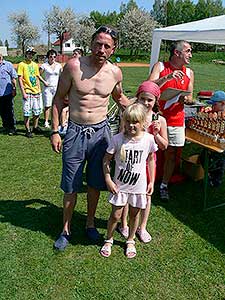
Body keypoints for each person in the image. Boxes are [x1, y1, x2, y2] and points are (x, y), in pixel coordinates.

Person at [51, 26, 130, 251]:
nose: (101, 49)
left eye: (106, 46)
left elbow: (120, 98)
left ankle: (90, 224)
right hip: (75, 132)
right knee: (71, 184)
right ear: (91, 43)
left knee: (95, 183)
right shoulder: (74, 67)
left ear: (113, 50)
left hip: (100, 134)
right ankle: (65, 230)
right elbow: (58, 99)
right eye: (98, 43)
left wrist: (143, 111)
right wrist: (55, 131)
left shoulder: (115, 73)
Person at [100, 103, 158, 258]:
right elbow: (106, 160)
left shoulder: (149, 139)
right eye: (128, 121)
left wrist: (151, 181)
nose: (131, 125)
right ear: (123, 121)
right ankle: (109, 239)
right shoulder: (117, 139)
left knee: (134, 214)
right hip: (119, 186)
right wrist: (108, 179)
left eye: (135, 122)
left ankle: (130, 240)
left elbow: (151, 159)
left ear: (143, 123)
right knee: (116, 215)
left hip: (138, 187)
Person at [118, 81, 168, 243]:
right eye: (142, 99)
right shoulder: (129, 115)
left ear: (156, 101)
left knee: (146, 195)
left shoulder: (159, 119)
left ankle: (142, 227)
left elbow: (164, 145)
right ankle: (124, 224)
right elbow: (121, 137)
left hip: (148, 163)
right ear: (137, 98)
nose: (146, 103)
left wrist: (156, 133)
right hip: (130, 161)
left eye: (150, 100)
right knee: (126, 193)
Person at [148, 40, 194, 201]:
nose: (190, 54)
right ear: (177, 53)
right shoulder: (160, 67)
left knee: (172, 154)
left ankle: (164, 185)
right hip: (157, 117)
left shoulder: (189, 72)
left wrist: (186, 100)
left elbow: (189, 96)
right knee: (150, 150)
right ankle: (146, 182)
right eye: (188, 51)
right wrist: (167, 77)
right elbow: (148, 86)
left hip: (176, 120)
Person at [200, 91, 225, 187]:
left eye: (214, 104)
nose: (212, 107)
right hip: (214, 141)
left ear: (223, 103)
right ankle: (211, 174)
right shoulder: (215, 113)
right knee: (203, 157)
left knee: (219, 158)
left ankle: (216, 180)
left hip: (222, 145)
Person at [17, 47, 43, 138]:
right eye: (29, 53)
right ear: (26, 54)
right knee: (27, 113)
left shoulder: (35, 65)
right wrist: (23, 92)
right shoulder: (21, 64)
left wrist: (39, 90)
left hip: (36, 92)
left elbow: (37, 77)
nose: (30, 55)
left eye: (32, 54)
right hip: (27, 92)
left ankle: (35, 127)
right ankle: (27, 130)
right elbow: (20, 79)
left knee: (37, 112)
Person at [39, 49, 62, 128]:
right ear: (48, 57)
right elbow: (38, 75)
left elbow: (62, 75)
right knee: (47, 105)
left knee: (57, 105)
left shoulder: (59, 65)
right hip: (47, 88)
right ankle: (46, 121)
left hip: (56, 87)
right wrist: (44, 82)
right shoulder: (44, 65)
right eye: (51, 57)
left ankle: (56, 120)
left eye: (54, 57)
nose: (53, 58)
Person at [0, 53, 17, 135]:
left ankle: (12, 128)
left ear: (2, 56)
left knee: (10, 111)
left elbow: (13, 77)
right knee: (2, 111)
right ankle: (5, 126)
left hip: (8, 93)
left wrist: (14, 88)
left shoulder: (8, 64)